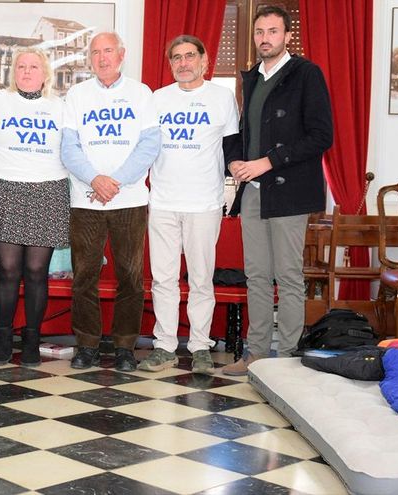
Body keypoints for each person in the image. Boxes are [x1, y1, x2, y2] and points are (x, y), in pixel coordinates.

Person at [222, 5, 333, 376]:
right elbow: (245, 131)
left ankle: (286, 358)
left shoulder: (306, 74)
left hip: (290, 190)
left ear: (287, 36)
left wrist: (268, 161)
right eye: (259, 32)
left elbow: (321, 136)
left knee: (287, 276)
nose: (264, 38)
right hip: (252, 190)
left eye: (272, 31)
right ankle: (255, 353)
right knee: (256, 275)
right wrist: (236, 161)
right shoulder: (252, 77)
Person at [137, 35, 239, 375]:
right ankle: (164, 346)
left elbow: (231, 151)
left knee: (200, 279)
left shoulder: (222, 97)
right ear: (170, 64)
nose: (183, 63)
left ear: (204, 60)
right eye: (176, 58)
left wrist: (230, 194)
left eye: (189, 56)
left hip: (203, 203)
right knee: (162, 279)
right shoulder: (157, 98)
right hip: (163, 201)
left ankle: (199, 346)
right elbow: (145, 147)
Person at [61, 32, 160, 371]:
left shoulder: (141, 93)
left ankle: (124, 347)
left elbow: (149, 146)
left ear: (122, 54)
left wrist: (114, 181)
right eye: (96, 52)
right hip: (85, 200)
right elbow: (68, 148)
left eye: (108, 51)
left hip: (129, 199)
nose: (102, 58)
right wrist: (95, 179)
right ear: (89, 58)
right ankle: (86, 345)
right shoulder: (76, 95)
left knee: (131, 276)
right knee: (84, 276)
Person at [0, 47, 69, 367]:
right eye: (21, 66)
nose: (27, 71)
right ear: (13, 72)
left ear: (45, 74)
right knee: (7, 271)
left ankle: (31, 340)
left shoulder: (60, 107)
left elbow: (74, 147)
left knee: (35, 272)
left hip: (48, 191)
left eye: (33, 66)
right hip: (5, 187)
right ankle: (3, 340)